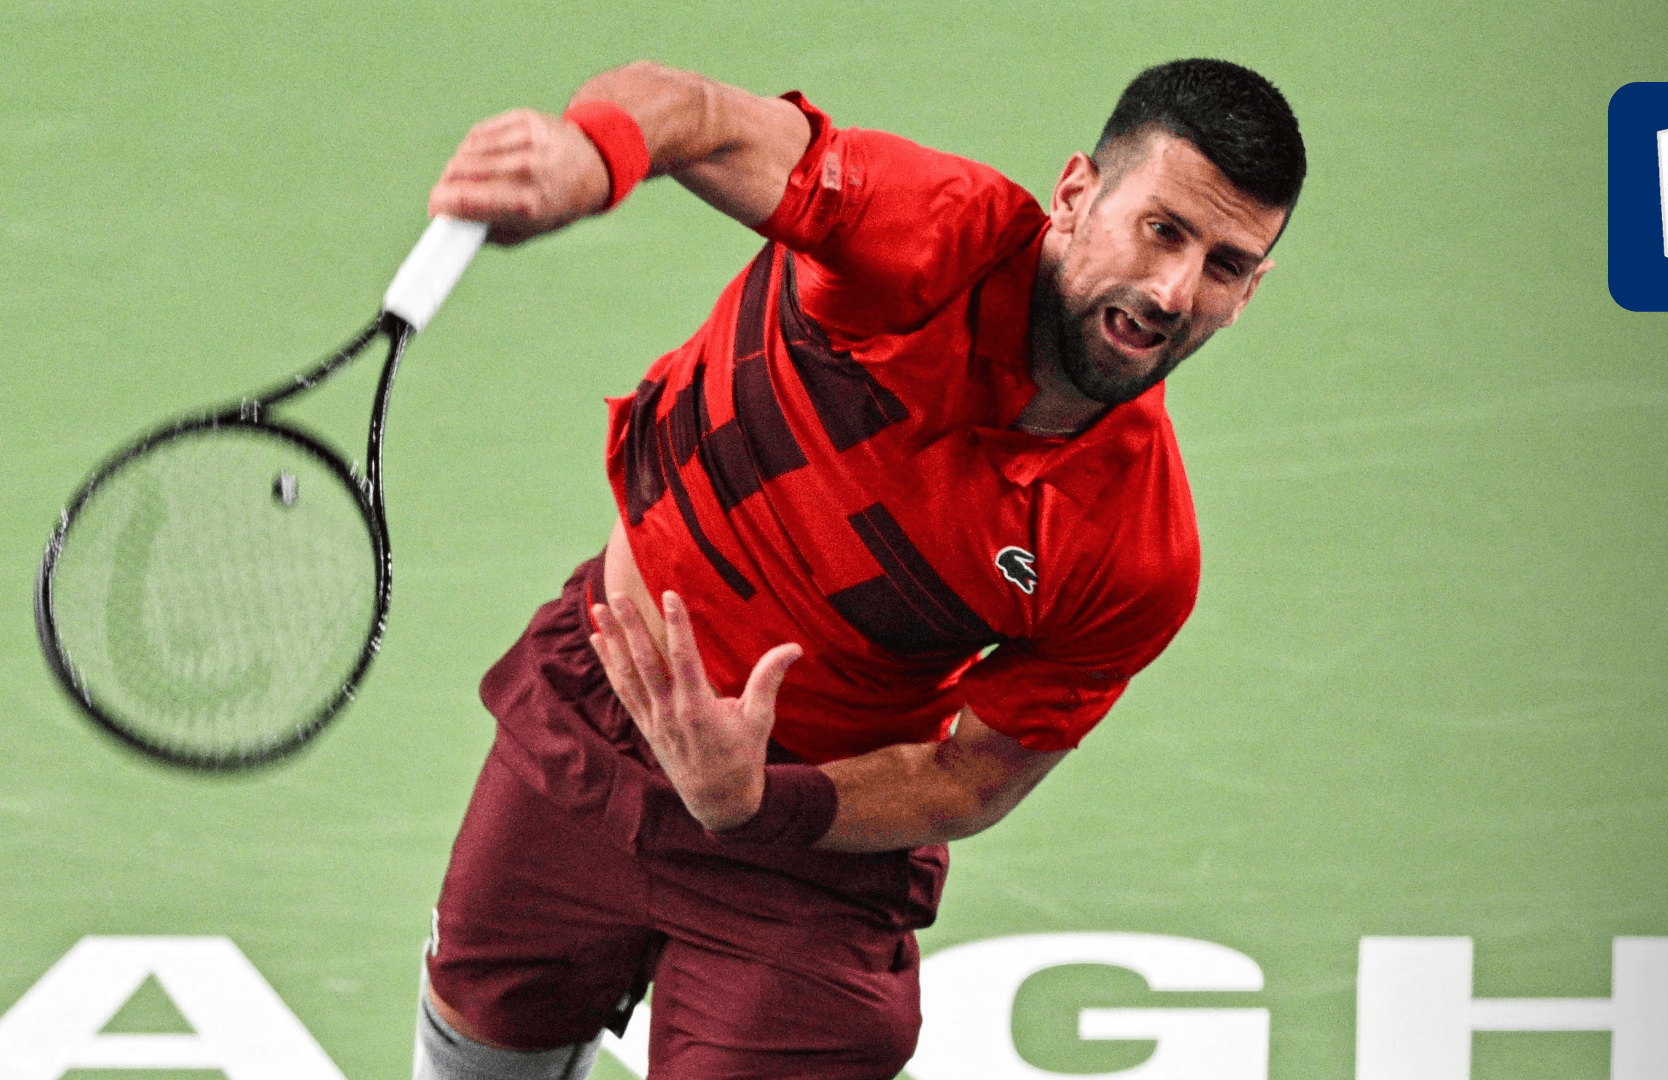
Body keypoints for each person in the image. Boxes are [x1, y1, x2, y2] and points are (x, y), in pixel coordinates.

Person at [413, 56, 1305, 1080]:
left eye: (1225, 265)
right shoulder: (925, 232)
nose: (1173, 290)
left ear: (1249, 292)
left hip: (810, 845)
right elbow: (699, 115)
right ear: (1075, 195)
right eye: (1161, 229)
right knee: (478, 1050)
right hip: (592, 715)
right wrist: (591, 153)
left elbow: (973, 777)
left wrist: (758, 801)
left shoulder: (1136, 550)